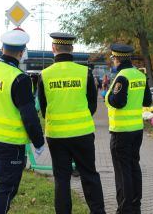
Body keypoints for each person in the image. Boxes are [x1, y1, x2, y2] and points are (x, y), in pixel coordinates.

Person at [37, 32, 105, 214]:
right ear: (72, 49)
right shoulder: (85, 73)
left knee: (62, 180)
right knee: (89, 175)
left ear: (53, 49)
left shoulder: (45, 75)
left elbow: (43, 109)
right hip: (83, 134)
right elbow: (92, 104)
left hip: (57, 136)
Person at [0, 28, 45, 214]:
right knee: (6, 188)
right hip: (9, 144)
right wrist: (39, 142)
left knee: (0, 184)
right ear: (21, 52)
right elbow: (29, 115)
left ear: (2, 48)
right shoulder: (19, 78)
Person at [105, 43, 152, 214]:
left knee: (122, 171)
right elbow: (147, 101)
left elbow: (118, 102)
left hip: (121, 132)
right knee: (134, 167)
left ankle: (125, 209)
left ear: (117, 58)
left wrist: (108, 96)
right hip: (137, 130)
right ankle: (135, 206)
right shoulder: (140, 75)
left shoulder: (122, 77)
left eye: (113, 58)